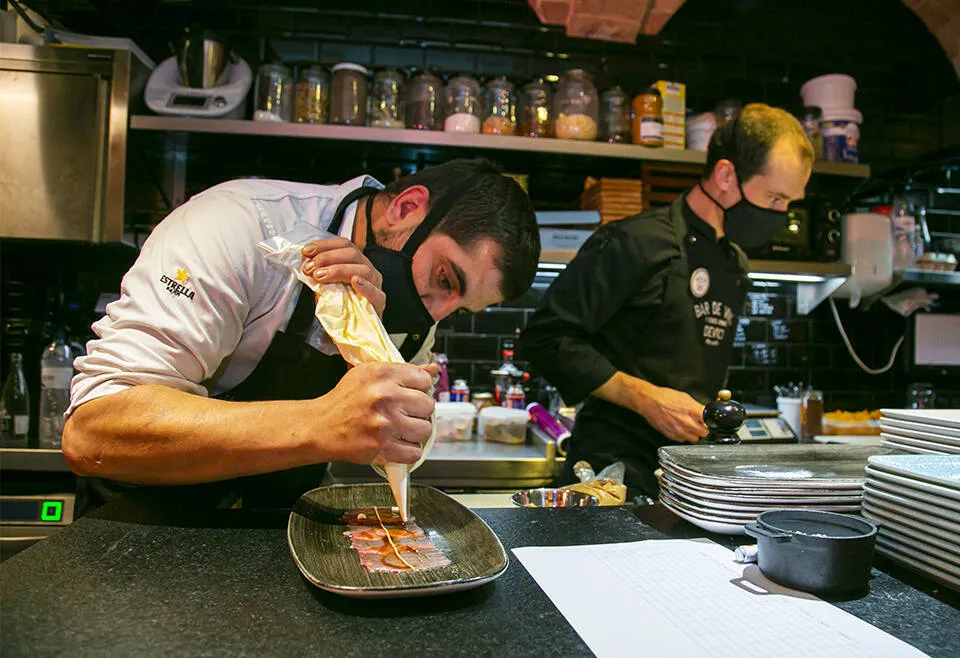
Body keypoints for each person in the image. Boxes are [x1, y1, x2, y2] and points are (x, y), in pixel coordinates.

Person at [63, 158, 540, 515]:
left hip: (275, 540)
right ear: (407, 207)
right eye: (445, 278)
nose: (437, 313)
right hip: (139, 531)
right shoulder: (237, 226)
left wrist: (402, 419)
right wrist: (322, 423)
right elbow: (95, 432)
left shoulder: (416, 309)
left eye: (461, 308)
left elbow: (401, 438)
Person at [520, 103, 814, 498]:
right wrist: (647, 399)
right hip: (611, 475)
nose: (783, 215)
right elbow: (544, 339)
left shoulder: (734, 265)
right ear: (726, 175)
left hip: (686, 478)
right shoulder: (634, 242)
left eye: (790, 203)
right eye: (776, 198)